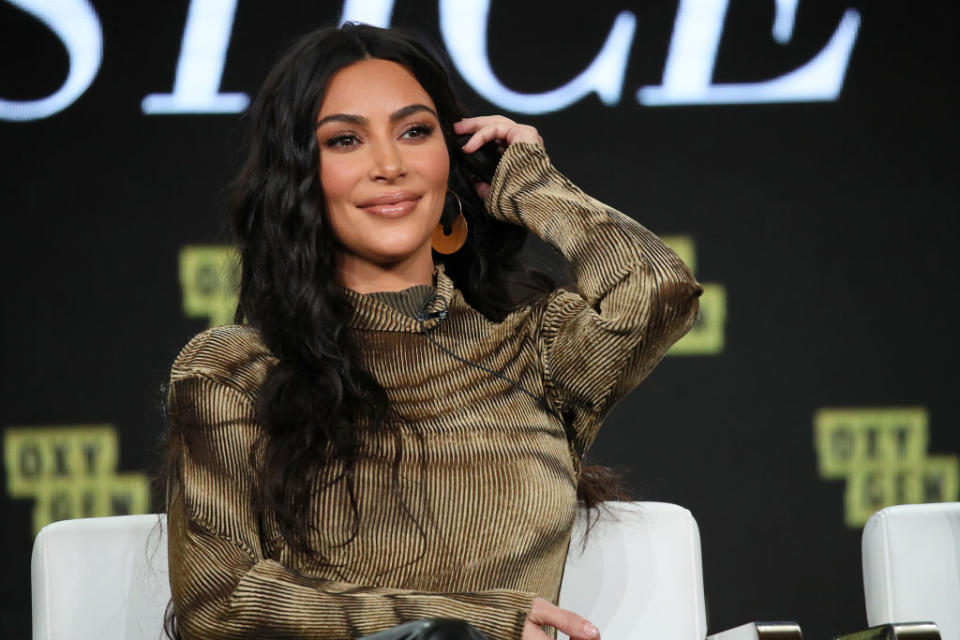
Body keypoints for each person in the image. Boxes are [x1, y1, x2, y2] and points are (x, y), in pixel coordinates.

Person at [161, 22, 702, 640]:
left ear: (452, 157)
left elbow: (657, 290)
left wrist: (531, 186)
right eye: (345, 141)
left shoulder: (536, 351)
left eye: (415, 132)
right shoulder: (234, 371)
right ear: (299, 178)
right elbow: (220, 605)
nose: (389, 165)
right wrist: (452, 623)